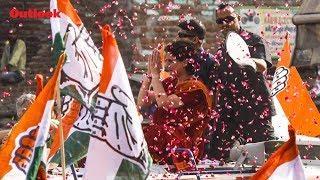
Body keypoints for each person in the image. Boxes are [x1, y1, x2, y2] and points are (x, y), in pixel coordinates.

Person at [205, 3, 276, 161]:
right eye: (220, 21)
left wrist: (246, 60)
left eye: (229, 19)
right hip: (230, 111)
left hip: (255, 109)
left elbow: (263, 65)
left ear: (237, 18)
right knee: (216, 153)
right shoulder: (221, 50)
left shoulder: (253, 40)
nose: (225, 23)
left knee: (266, 155)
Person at [138, 40, 212, 169]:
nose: (166, 66)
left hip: (183, 147)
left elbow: (164, 103)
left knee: (151, 133)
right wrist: (149, 76)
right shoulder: (169, 82)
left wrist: (156, 75)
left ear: (185, 62)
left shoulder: (195, 87)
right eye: (165, 61)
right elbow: (142, 102)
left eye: (170, 61)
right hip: (163, 141)